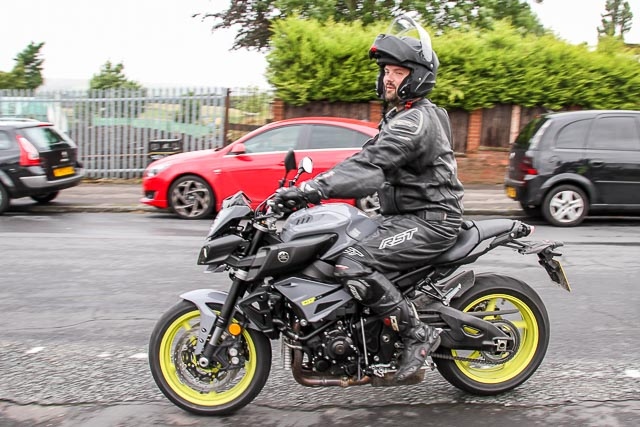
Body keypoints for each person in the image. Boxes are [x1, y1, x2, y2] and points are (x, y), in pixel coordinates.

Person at [273, 16, 464, 382]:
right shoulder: (402, 117)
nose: (389, 78)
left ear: (418, 76)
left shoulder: (415, 122)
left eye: (398, 71)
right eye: (387, 71)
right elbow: (361, 161)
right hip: (405, 216)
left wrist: (308, 192)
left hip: (430, 220)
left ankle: (416, 334)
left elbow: (371, 165)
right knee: (337, 240)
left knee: (352, 260)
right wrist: (311, 184)